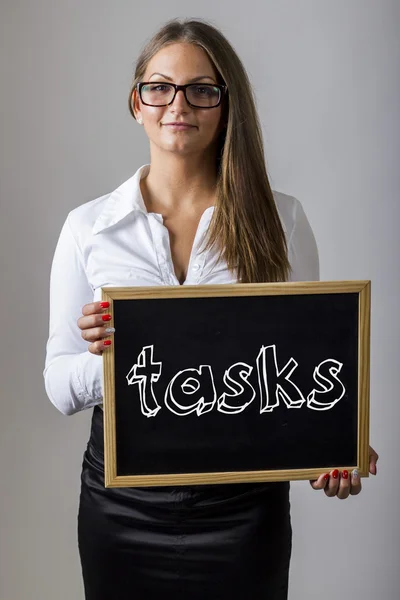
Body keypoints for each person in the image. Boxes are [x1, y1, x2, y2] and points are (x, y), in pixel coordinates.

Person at [43, 17, 378, 600]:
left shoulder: (282, 219)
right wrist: (112, 360)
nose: (179, 104)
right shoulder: (87, 228)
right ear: (136, 103)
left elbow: (304, 372)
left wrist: (334, 444)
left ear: (227, 105)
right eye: (160, 87)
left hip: (244, 510)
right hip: (120, 506)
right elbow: (57, 383)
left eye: (202, 89)